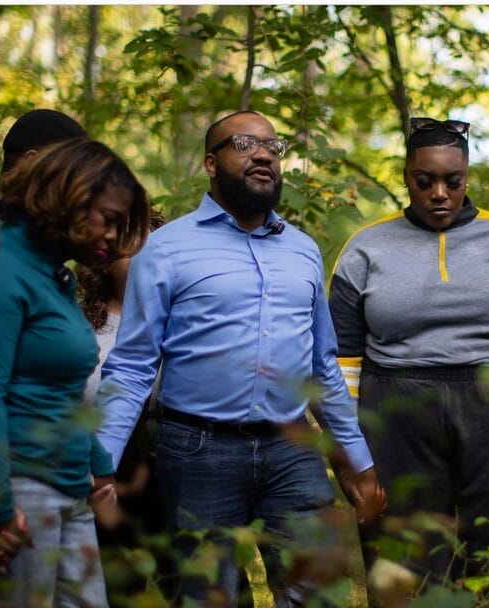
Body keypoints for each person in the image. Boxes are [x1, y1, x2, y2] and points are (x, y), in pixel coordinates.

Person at [95, 110, 385, 607]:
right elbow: (133, 364)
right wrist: (102, 459)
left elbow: (323, 366)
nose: (264, 154)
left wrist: (357, 458)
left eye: (274, 147)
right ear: (212, 162)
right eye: (246, 143)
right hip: (196, 451)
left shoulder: (303, 251)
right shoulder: (165, 249)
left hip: (293, 449)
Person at [329, 116, 489, 604]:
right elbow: (342, 359)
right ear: (407, 178)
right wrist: (349, 447)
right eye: (425, 181)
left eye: (452, 181)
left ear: (467, 178)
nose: (439, 193)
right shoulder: (366, 248)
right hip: (397, 409)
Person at [0, 138, 150, 606]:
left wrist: (99, 468)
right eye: (110, 220)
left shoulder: (56, 277)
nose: (115, 239)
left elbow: (63, 392)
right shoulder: (3, 270)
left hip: (70, 487)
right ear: (70, 198)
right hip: (21, 491)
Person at [77, 210, 165, 603]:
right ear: (106, 258)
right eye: (132, 246)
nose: (145, 256)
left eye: (152, 245)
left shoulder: (185, 323)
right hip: (105, 475)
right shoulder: (81, 326)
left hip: (173, 469)